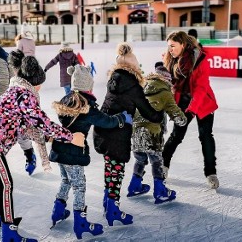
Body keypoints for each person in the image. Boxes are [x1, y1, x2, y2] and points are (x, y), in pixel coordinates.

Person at [0, 56, 84, 241]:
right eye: (40, 84)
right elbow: (42, 121)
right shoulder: (24, 95)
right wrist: (70, 137)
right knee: (5, 184)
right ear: (34, 82)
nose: (40, 88)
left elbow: (26, 126)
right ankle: (9, 233)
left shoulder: (15, 90)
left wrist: (49, 138)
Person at [48, 64, 131, 239]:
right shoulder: (86, 106)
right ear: (88, 86)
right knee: (79, 185)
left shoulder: (66, 100)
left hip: (59, 147)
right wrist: (123, 118)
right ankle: (81, 222)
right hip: (74, 152)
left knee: (65, 180)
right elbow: (106, 122)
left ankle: (58, 210)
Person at [93, 43, 163, 226]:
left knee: (110, 168)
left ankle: (107, 203)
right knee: (117, 171)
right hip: (117, 133)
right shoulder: (132, 85)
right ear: (133, 66)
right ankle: (113, 209)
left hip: (103, 129)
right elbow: (148, 111)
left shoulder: (114, 79)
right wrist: (160, 114)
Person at [161, 31, 219, 189]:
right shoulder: (170, 60)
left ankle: (210, 173)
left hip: (203, 101)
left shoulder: (200, 59)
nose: (170, 49)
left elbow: (201, 88)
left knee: (205, 136)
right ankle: (163, 166)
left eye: (173, 46)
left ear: (183, 45)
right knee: (176, 135)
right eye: (169, 46)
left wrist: (191, 110)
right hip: (183, 101)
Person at [129, 62, 187, 204]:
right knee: (157, 161)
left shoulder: (142, 87)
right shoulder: (165, 92)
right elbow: (175, 112)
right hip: (152, 133)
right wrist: (183, 121)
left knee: (140, 159)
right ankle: (160, 191)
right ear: (166, 79)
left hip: (135, 131)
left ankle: (134, 186)